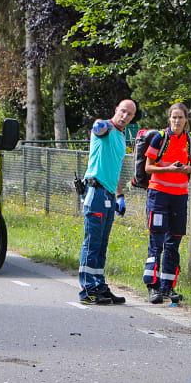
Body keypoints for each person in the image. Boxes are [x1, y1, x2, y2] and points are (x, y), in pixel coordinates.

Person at [142, 103, 191, 304]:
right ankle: (153, 287)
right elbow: (148, 167)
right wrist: (168, 168)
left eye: (180, 117)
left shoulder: (190, 140)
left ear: (186, 120)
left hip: (180, 196)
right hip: (159, 194)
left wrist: (184, 168)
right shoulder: (161, 138)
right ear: (169, 119)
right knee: (157, 241)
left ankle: (168, 287)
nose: (177, 121)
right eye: (174, 117)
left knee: (173, 242)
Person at [78, 99, 137, 305]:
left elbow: (116, 169)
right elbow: (99, 127)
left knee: (102, 243)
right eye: (123, 111)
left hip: (109, 194)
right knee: (92, 241)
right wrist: (100, 124)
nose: (125, 116)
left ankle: (99, 285)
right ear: (116, 110)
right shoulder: (107, 129)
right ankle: (87, 290)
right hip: (96, 191)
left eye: (129, 114)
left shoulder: (121, 137)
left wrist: (120, 196)